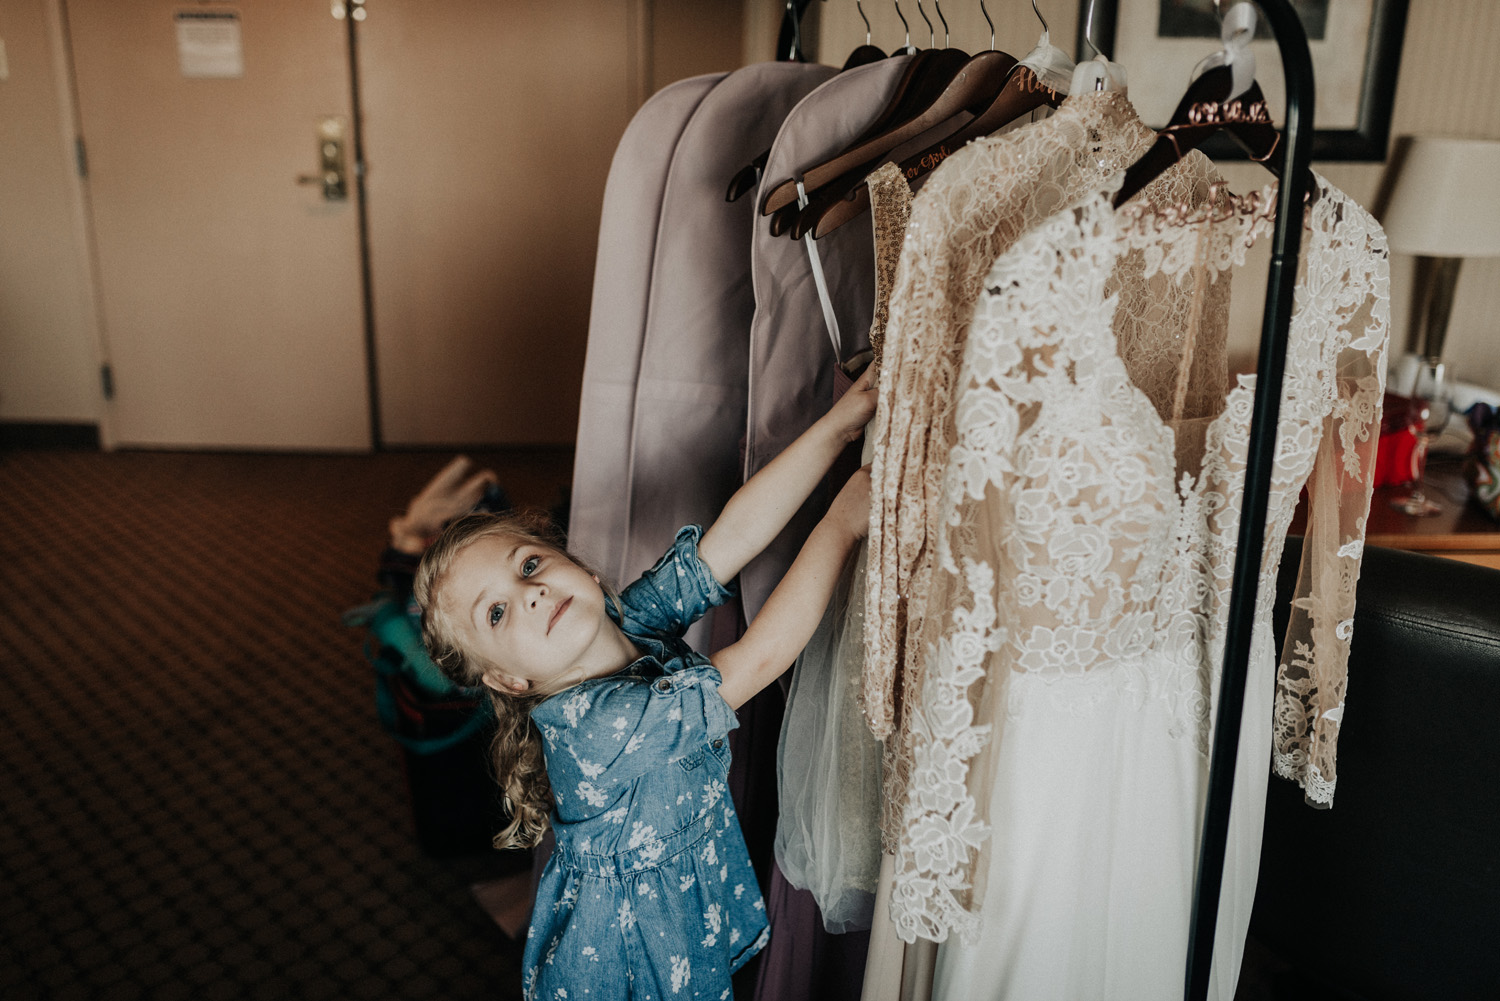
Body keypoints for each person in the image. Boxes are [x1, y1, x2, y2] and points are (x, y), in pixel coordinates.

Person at [413, 367, 876, 1001]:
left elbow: (730, 540)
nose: (530, 594)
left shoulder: (624, 621)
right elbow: (759, 660)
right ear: (510, 680)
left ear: (575, 565)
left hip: (674, 906)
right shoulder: (597, 726)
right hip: (629, 954)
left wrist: (839, 425)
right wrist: (843, 525)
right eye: (495, 613)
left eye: (528, 566)